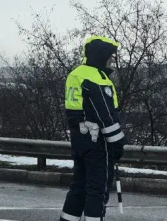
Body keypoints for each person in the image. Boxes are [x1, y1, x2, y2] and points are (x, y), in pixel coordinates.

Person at [59, 35, 126, 221]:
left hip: (79, 140)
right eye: (110, 56)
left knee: (78, 188)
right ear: (101, 55)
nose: (112, 59)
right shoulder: (96, 77)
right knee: (98, 190)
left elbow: (76, 112)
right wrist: (118, 144)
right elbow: (105, 115)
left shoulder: (76, 74)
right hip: (98, 143)